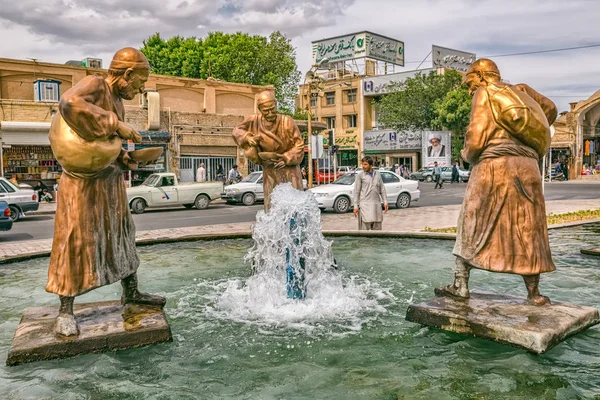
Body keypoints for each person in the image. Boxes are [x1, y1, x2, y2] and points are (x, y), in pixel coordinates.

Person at [46, 47, 165, 337]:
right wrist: (116, 124)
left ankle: (131, 292)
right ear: (126, 74)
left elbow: (105, 143)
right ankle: (65, 310)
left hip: (108, 181)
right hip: (82, 183)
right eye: (139, 83)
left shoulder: (118, 100)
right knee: (76, 238)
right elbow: (69, 103)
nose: (140, 89)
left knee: (123, 234)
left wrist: (128, 158)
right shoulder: (95, 84)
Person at [436, 58, 558, 306]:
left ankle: (460, 284)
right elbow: (551, 109)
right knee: (528, 228)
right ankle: (534, 294)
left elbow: (477, 138)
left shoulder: (485, 92)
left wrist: (466, 155)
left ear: (481, 76)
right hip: (528, 168)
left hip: (495, 166)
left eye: (471, 83)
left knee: (470, 222)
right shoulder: (521, 91)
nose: (470, 90)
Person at [232, 90, 304, 210]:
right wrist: (248, 138)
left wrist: (286, 157)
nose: (270, 113)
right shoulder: (254, 121)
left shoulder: (287, 122)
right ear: (260, 109)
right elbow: (236, 131)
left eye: (272, 108)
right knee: (271, 208)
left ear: (276, 104)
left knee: (294, 208)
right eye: (266, 110)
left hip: (289, 170)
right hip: (269, 171)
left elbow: (299, 146)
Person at [353, 156, 388, 230]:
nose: (363, 166)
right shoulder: (360, 175)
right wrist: (355, 206)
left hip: (376, 205)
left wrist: (385, 202)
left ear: (371, 165)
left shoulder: (377, 174)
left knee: (377, 231)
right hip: (365, 206)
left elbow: (382, 189)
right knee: (364, 233)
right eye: (362, 164)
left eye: (365, 164)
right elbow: (356, 192)